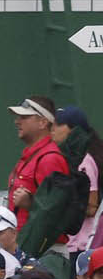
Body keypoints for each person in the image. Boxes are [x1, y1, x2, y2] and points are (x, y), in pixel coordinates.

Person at [9, 95, 70, 230]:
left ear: (43, 122)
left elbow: (58, 210)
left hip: (40, 242)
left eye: (24, 117)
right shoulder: (32, 155)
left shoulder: (49, 159)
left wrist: (30, 204)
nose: (17, 122)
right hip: (24, 239)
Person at [53, 107, 103, 251]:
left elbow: (91, 207)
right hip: (71, 243)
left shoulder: (84, 161)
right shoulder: (70, 158)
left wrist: (59, 204)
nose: (52, 129)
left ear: (74, 130)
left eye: (58, 124)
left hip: (81, 245)